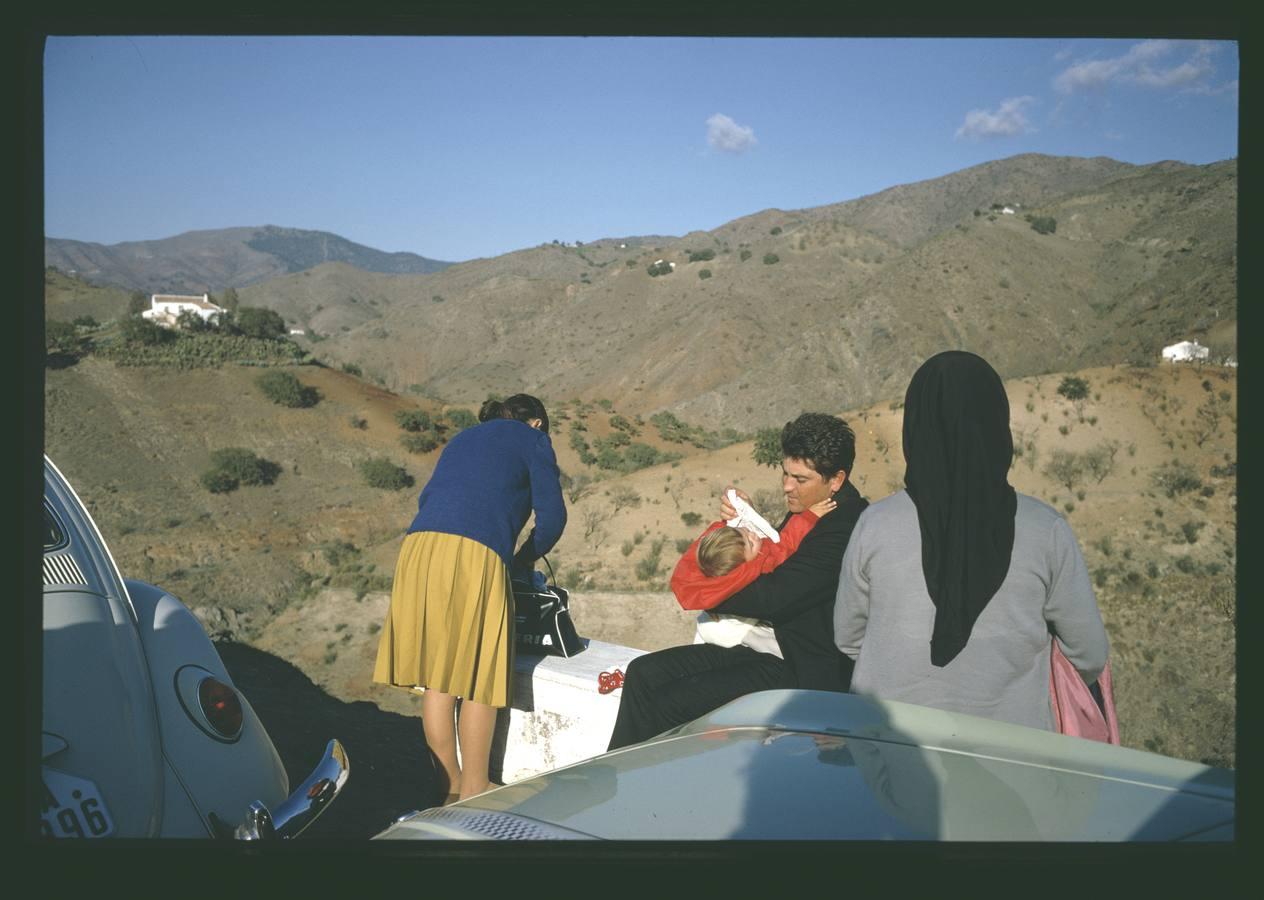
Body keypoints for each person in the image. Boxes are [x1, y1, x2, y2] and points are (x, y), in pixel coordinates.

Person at [833, 351, 1109, 732]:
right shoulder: (1045, 530)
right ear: (997, 425)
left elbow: (848, 638)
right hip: (1014, 762)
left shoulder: (874, 525)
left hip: (889, 756)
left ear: (916, 427)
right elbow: (1089, 655)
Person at [607, 412, 868, 751]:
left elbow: (774, 595)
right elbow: (776, 554)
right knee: (643, 674)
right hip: (762, 648)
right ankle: (613, 776)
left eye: (800, 479)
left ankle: (636, 784)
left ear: (836, 479)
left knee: (671, 702)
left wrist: (708, 588)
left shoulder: (844, 526)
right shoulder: (811, 504)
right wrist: (745, 521)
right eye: (785, 473)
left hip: (798, 667)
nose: (787, 485)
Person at [372, 393, 567, 802]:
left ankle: (448, 787)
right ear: (536, 422)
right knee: (480, 677)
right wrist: (523, 558)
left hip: (419, 549)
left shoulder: (464, 438)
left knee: (440, 681)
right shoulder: (532, 439)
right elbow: (552, 519)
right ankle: (476, 790)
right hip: (473, 550)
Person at [672, 493, 837, 654]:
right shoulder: (760, 564)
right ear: (741, 566)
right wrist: (809, 517)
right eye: (750, 543)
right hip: (744, 635)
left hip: (709, 630)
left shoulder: (715, 575)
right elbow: (787, 543)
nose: (753, 536)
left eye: (745, 532)